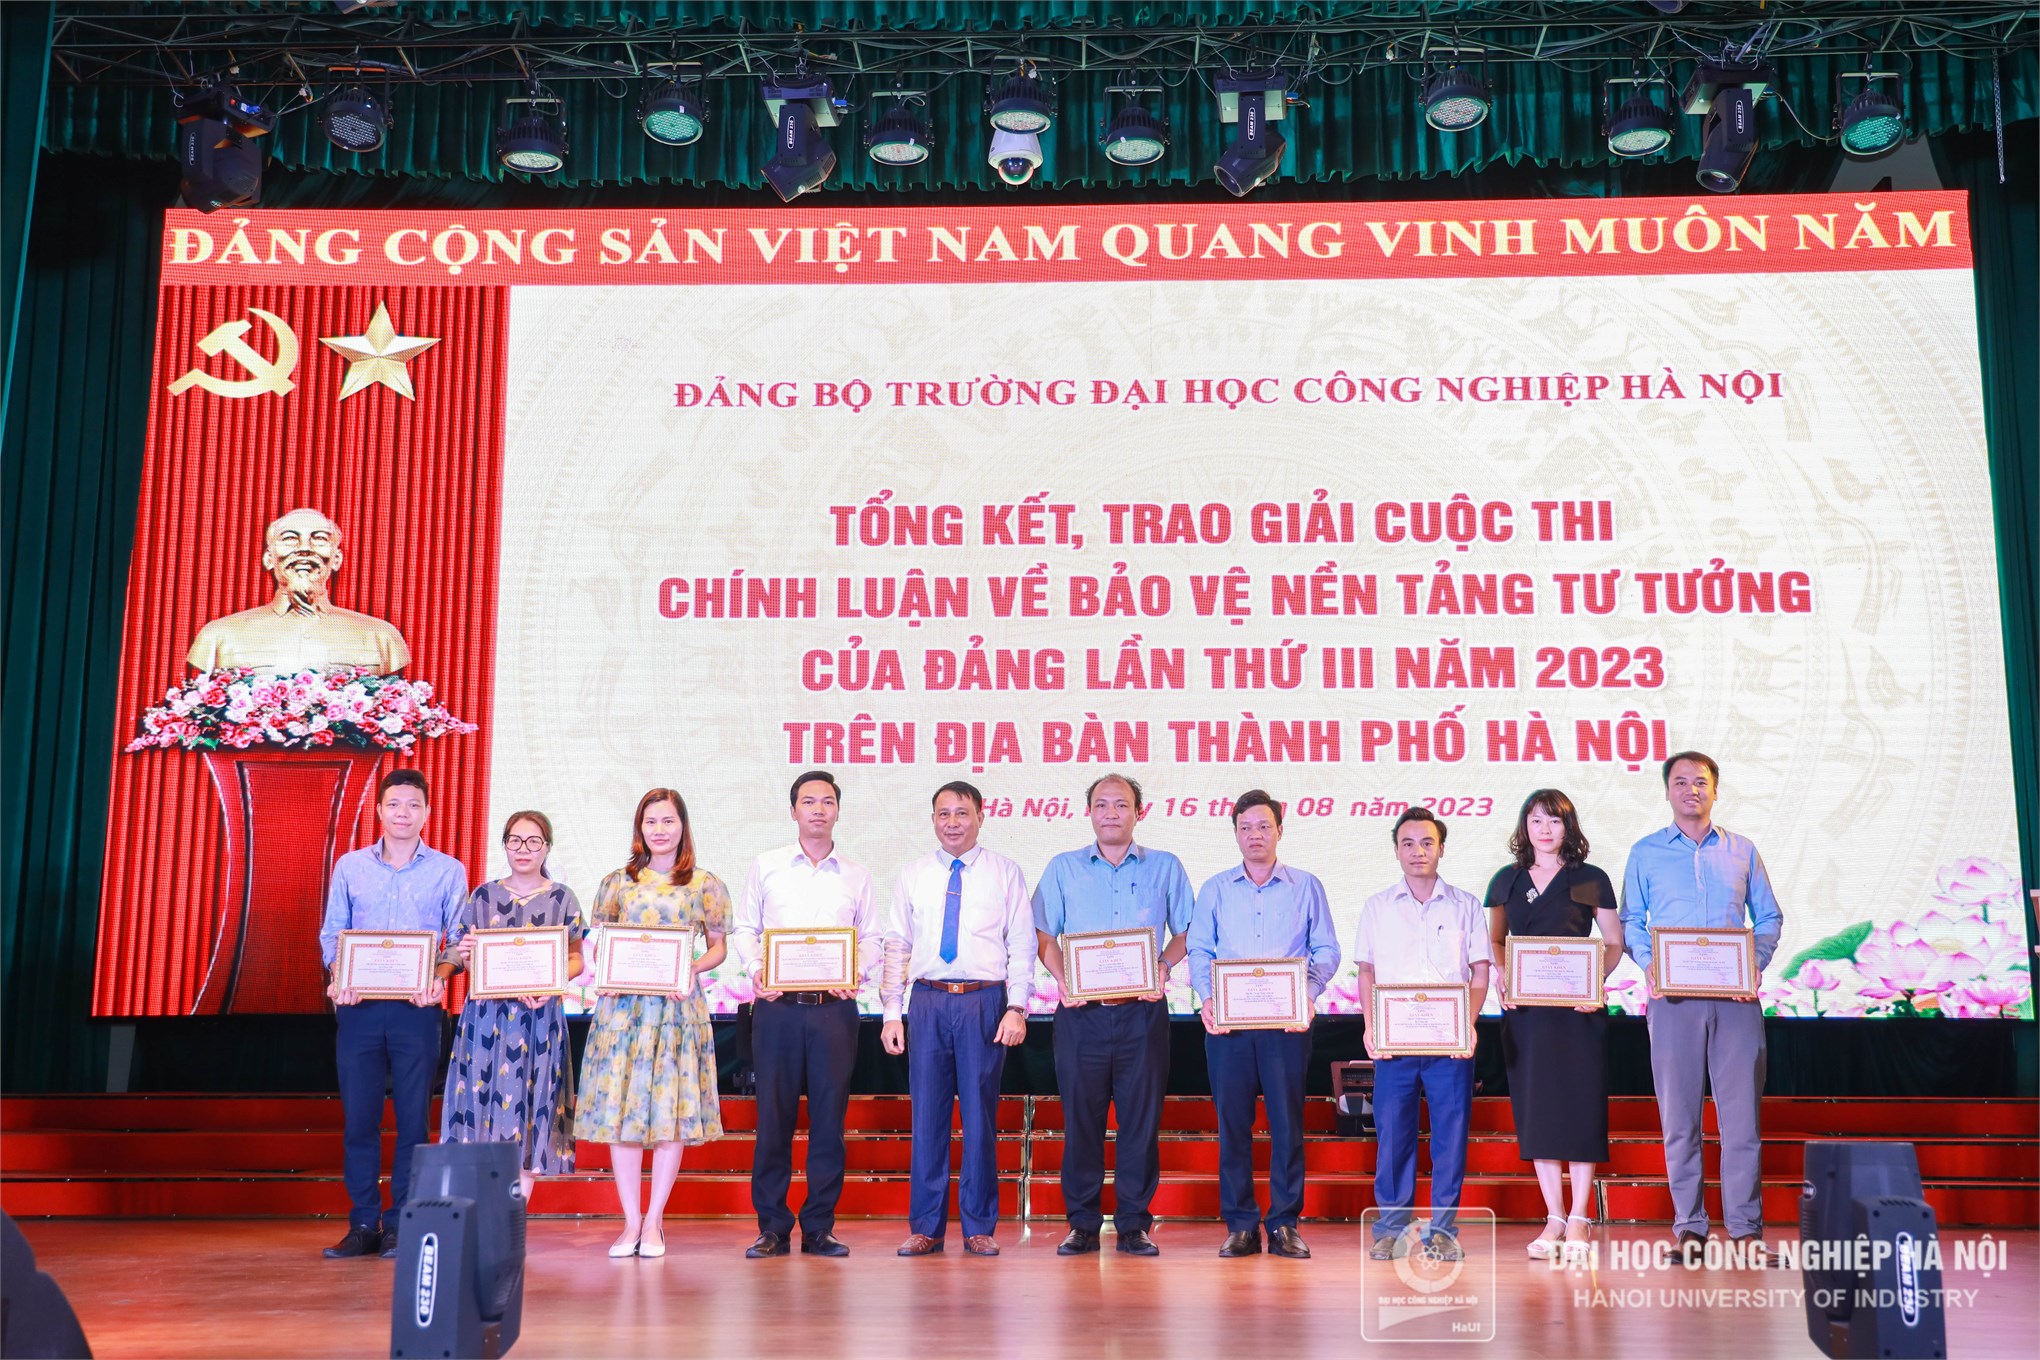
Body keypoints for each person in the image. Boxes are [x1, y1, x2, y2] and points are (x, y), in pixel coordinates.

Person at [1620, 751, 1783, 1261]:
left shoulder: (1743, 850)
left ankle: (1746, 1232)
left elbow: (1770, 916)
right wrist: (1650, 964)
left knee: (1742, 1122)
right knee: (1680, 1120)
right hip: (1674, 1001)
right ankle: (1690, 1229)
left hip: (1736, 1001)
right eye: (1681, 781)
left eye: (1701, 781)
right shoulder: (1645, 852)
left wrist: (1754, 963)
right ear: (1667, 790)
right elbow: (1631, 920)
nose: (1691, 789)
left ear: (1715, 789)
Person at [1032, 773, 1194, 1257]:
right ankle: (1081, 1223)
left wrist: (1162, 966)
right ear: (1089, 812)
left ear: (1138, 813)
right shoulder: (1063, 868)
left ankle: (1133, 1224)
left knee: (1140, 1122)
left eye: (1121, 804)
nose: (1110, 813)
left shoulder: (1166, 866)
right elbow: (1042, 935)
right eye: (1101, 804)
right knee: (1081, 1120)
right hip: (1080, 1015)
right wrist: (1063, 978)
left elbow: (1188, 931)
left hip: (1142, 1015)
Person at [317, 767, 467, 1260]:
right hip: (359, 1008)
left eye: (414, 805)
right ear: (379, 809)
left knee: (412, 1122)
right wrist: (339, 973)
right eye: (395, 804)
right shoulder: (350, 867)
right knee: (360, 1120)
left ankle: (402, 1224)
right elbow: (332, 932)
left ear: (427, 812)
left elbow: (458, 939)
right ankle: (363, 1223)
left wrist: (439, 977)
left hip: (417, 1011)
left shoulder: (448, 870)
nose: (404, 813)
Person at [574, 788, 730, 1259]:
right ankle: (629, 1222)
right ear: (639, 828)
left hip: (676, 1012)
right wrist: (605, 973)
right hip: (623, 1013)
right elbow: (598, 943)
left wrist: (691, 970)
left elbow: (718, 948)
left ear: (683, 826)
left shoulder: (705, 884)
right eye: (650, 822)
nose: (659, 830)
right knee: (621, 1115)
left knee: (668, 1115)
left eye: (668, 821)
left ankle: (655, 1221)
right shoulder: (616, 882)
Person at [880, 781, 1032, 1258]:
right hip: (927, 1000)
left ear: (981, 816)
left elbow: (1021, 945)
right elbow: (897, 945)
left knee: (980, 1117)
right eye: (943, 814)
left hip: (983, 1002)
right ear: (933, 820)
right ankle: (925, 1226)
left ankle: (978, 1226)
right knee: (927, 1115)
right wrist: (891, 1012)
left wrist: (1017, 1007)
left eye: (962, 813)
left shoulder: (1005, 873)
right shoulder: (913, 874)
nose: (952, 823)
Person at [1188, 790, 1341, 1261]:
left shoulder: (1306, 886)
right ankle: (1240, 1226)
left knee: (1286, 1125)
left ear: (1280, 829)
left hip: (1286, 1028)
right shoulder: (1215, 888)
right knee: (1233, 1126)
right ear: (1235, 833)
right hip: (1228, 1028)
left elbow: (1327, 949)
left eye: (1263, 826)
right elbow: (1200, 950)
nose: (1255, 835)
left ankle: (1284, 1223)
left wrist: (1307, 994)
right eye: (1245, 828)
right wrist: (1208, 998)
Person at [733, 770, 877, 1259]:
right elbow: (745, 928)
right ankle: (772, 1226)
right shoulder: (767, 866)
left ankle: (819, 1227)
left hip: (834, 1011)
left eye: (827, 801)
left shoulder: (857, 875)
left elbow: (872, 937)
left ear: (838, 810)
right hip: (777, 1010)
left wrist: (856, 970)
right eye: (809, 801)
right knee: (773, 1120)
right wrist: (757, 969)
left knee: (829, 1122)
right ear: (793, 810)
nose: (818, 809)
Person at [1483, 790, 1620, 1259]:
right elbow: (1496, 941)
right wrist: (1504, 974)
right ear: (1524, 826)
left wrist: (1594, 983)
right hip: (1528, 1014)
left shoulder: (1591, 878)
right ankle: (1554, 1217)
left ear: (1569, 826)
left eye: (1554, 821)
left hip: (1579, 1014)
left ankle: (1580, 1216)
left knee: (1580, 1109)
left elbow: (1614, 942)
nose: (1545, 829)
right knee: (1537, 1111)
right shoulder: (1506, 879)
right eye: (1536, 820)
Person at [1355, 805, 1492, 1264]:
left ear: (1442, 849)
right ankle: (1391, 1230)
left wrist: (1467, 1023)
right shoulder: (1377, 906)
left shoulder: (1466, 905)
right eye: (1408, 843)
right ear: (1396, 850)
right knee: (1394, 1137)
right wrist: (1371, 1026)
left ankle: (1444, 1232)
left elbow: (1479, 972)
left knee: (1450, 1138)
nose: (1418, 851)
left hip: (1449, 1045)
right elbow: (1367, 971)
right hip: (1394, 1043)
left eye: (1427, 843)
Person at [437, 810, 585, 1204]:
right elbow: (466, 954)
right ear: (504, 845)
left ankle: (512, 1214)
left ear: (547, 847)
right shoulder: (483, 896)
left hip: (540, 1020)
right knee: (482, 1106)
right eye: (515, 840)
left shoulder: (562, 898)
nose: (524, 849)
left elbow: (576, 959)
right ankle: (484, 1211)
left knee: (532, 1112)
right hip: (486, 1021)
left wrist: (553, 984)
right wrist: (468, 954)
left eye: (534, 841)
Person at [186, 506, 410, 673]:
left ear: (336, 559)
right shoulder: (219, 635)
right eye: (290, 539)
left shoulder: (381, 636)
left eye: (319, 539)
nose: (304, 548)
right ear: (269, 558)